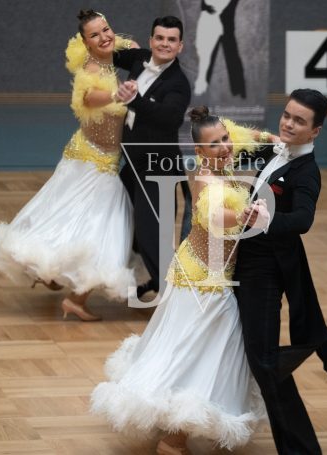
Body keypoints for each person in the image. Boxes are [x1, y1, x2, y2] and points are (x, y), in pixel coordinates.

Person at [90, 106, 274, 455]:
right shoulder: (206, 180)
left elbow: (244, 135)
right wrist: (247, 213)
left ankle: (175, 428)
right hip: (204, 281)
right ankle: (173, 437)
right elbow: (215, 215)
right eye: (215, 144)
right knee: (198, 351)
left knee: (197, 347)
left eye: (225, 139)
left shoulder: (223, 152)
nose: (225, 146)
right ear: (200, 151)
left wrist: (272, 138)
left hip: (203, 272)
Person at [0, 10, 138, 321]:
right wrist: (116, 94)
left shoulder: (111, 54)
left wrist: (138, 51)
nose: (104, 37)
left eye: (106, 30)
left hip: (94, 159)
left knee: (70, 220)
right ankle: (76, 298)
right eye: (95, 35)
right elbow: (89, 97)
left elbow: (128, 46)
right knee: (101, 228)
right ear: (85, 42)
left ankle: (53, 275)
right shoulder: (90, 69)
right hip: (92, 164)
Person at [235, 89, 327, 454]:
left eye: (299, 121)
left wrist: (268, 221)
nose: (288, 123)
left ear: (315, 131)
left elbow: (303, 219)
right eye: (287, 115)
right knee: (256, 355)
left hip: (265, 270)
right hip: (245, 258)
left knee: (265, 361)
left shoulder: (307, 172)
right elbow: (232, 148)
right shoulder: (276, 150)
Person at [113, 16, 192, 301]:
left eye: (171, 40)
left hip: (157, 166)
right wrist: (106, 36)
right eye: (160, 38)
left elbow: (169, 118)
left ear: (180, 46)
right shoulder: (140, 59)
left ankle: (174, 296)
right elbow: (108, 51)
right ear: (150, 40)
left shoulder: (179, 84)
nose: (164, 44)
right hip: (134, 164)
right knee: (115, 212)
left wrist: (133, 100)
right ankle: (159, 282)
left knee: (152, 234)